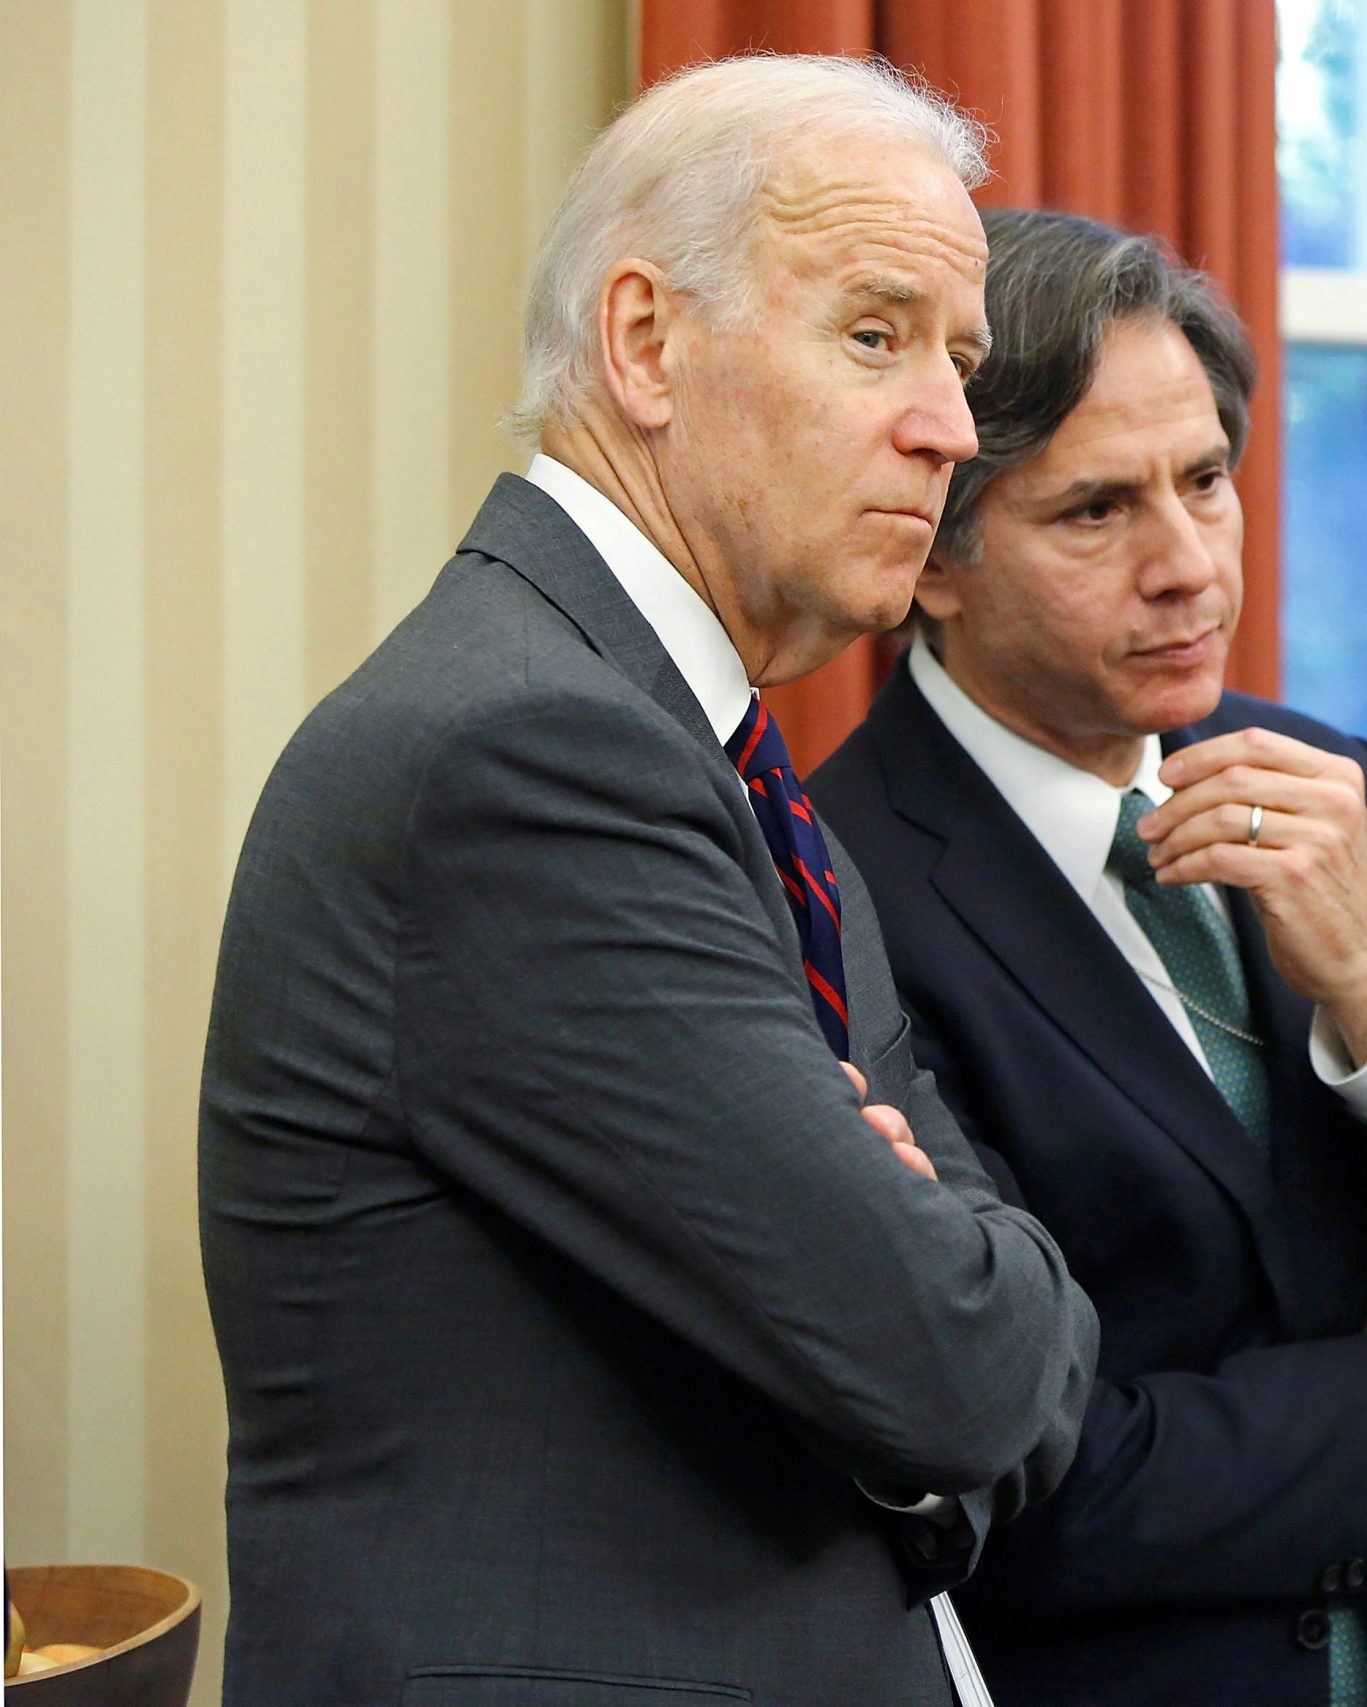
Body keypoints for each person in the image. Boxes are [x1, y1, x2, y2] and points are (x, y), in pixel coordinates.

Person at [199, 56, 1098, 1706]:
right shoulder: (532, 755)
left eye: (961, 361)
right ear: (644, 344)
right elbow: (961, 1365)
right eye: (877, 335)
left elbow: (999, 1357)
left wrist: (926, 1291)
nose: (954, 429)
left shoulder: (705, 747)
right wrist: (922, 1297)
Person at [804, 209, 1367, 1707]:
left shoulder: (1333, 787)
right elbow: (1027, 1487)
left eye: (1207, 482)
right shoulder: (837, 880)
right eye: (1096, 512)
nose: (1187, 564)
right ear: (935, 556)